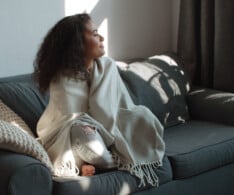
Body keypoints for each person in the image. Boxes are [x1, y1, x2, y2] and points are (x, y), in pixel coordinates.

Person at [34, 13, 165, 187]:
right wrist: (86, 124)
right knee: (93, 146)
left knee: (144, 117)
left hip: (109, 127)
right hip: (72, 130)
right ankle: (102, 162)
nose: (102, 37)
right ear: (78, 43)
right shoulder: (61, 78)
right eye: (95, 33)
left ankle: (90, 162)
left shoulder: (108, 67)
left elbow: (120, 105)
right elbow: (68, 118)